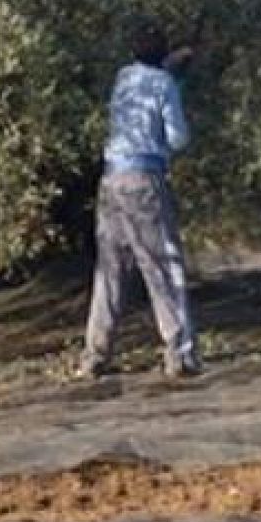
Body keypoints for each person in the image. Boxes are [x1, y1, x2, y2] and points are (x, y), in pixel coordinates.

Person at [77, 19, 202, 378]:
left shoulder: (124, 77)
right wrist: (178, 85)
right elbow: (177, 138)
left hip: (111, 182)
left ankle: (94, 355)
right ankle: (180, 354)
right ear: (162, 54)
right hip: (144, 182)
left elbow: (148, 83)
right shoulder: (164, 84)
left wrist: (171, 69)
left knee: (110, 270)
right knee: (163, 266)